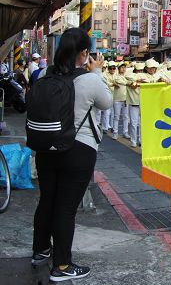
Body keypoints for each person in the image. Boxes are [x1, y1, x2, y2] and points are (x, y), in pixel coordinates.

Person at [31, 28, 112, 282]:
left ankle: (41, 251)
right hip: (78, 150)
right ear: (85, 53)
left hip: (46, 146)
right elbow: (106, 102)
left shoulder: (45, 73)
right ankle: (63, 266)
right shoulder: (89, 79)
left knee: (47, 200)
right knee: (66, 208)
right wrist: (97, 71)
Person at [111, 62, 130, 140]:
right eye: (122, 67)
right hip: (117, 99)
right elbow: (122, 82)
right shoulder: (116, 77)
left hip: (126, 99)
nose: (123, 69)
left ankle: (125, 132)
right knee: (116, 116)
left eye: (124, 67)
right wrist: (129, 83)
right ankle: (115, 133)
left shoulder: (127, 76)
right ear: (118, 69)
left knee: (126, 117)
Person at [101, 61, 116, 133]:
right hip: (106, 95)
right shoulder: (104, 74)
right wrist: (112, 84)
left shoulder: (117, 74)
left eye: (114, 68)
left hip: (115, 96)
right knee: (106, 112)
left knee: (113, 113)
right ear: (108, 68)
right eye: (111, 68)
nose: (112, 70)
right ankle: (105, 127)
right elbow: (105, 83)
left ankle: (112, 126)